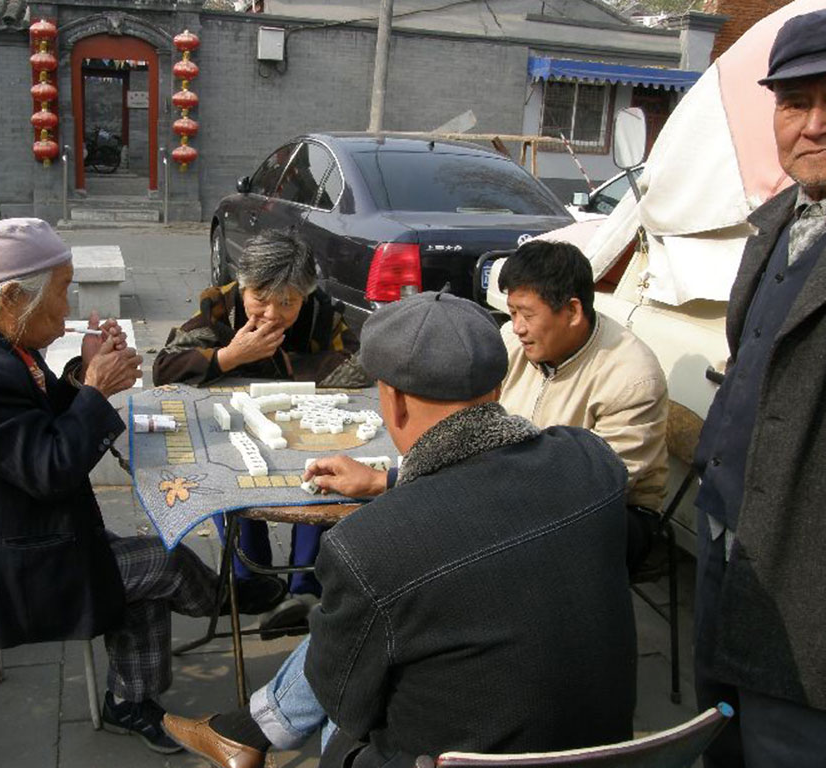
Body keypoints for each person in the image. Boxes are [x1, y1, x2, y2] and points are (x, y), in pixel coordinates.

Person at [163, 291, 637, 768]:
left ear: (393, 403)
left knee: (363, 664)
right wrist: (385, 480)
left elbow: (341, 697)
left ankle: (247, 733)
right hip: (611, 751)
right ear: (497, 391)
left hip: (443, 758)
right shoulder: (591, 461)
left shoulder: (369, 546)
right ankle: (244, 734)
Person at [0, 218, 274, 754]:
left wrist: (81, 373)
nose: (67, 309)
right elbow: (48, 469)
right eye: (62, 292)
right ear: (15, 296)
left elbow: (32, 427)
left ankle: (134, 696)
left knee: (156, 562)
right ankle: (226, 603)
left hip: (33, 538)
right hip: (8, 572)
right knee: (166, 563)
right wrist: (94, 390)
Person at [690, 11, 826, 766]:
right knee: (721, 732)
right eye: (794, 102)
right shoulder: (778, 221)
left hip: (807, 588)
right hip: (726, 535)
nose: (812, 125)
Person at [154, 230, 371, 631]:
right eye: (260, 299)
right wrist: (229, 356)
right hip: (231, 428)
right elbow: (165, 366)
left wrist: (291, 366)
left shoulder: (321, 315)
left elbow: (360, 364)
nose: (272, 314)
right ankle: (253, 584)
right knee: (228, 483)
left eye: (288, 302)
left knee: (318, 483)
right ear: (243, 286)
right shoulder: (219, 306)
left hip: (301, 428)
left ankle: (304, 589)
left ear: (304, 295)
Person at [497, 240, 669, 571]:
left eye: (527, 314)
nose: (517, 327)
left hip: (613, 513)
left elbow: (598, 483)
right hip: (518, 490)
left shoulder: (632, 375)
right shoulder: (512, 341)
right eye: (513, 312)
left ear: (573, 311)